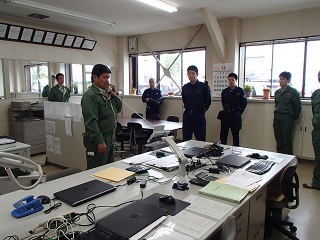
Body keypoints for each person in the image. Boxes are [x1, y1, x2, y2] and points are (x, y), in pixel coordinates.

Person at [81, 64, 122, 169]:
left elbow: (118, 109)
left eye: (108, 77)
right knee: (98, 170)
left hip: (110, 137)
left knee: (109, 170)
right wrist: (100, 141)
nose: (107, 80)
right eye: (104, 77)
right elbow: (91, 121)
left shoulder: (106, 94)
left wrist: (114, 94)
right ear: (95, 77)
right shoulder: (90, 96)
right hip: (99, 139)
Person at [273, 71, 301, 155]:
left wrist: (291, 118)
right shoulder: (277, 92)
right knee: (279, 141)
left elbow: (298, 108)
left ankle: (288, 163)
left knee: (286, 142)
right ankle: (280, 160)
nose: (281, 81)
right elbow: (277, 104)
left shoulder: (293, 92)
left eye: (283, 79)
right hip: (277, 118)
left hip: (287, 119)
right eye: (280, 79)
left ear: (288, 80)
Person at [182, 65, 211, 141]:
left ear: (197, 74)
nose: (191, 75)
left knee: (200, 139)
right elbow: (184, 100)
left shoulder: (204, 87)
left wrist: (202, 110)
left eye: (193, 73)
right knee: (186, 139)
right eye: (189, 73)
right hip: (187, 115)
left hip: (199, 115)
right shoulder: (185, 87)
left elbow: (208, 101)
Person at [220, 73, 247, 146]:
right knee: (223, 135)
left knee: (235, 135)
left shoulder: (240, 91)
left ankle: (236, 152)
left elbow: (244, 103)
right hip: (226, 114)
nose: (231, 81)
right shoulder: (225, 91)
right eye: (229, 80)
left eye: (233, 80)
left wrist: (238, 112)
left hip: (235, 115)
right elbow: (223, 103)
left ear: (236, 80)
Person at [303, 70, 320, 190]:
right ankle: (317, 182)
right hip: (318, 129)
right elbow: (315, 112)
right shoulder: (316, 93)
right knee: (318, 157)